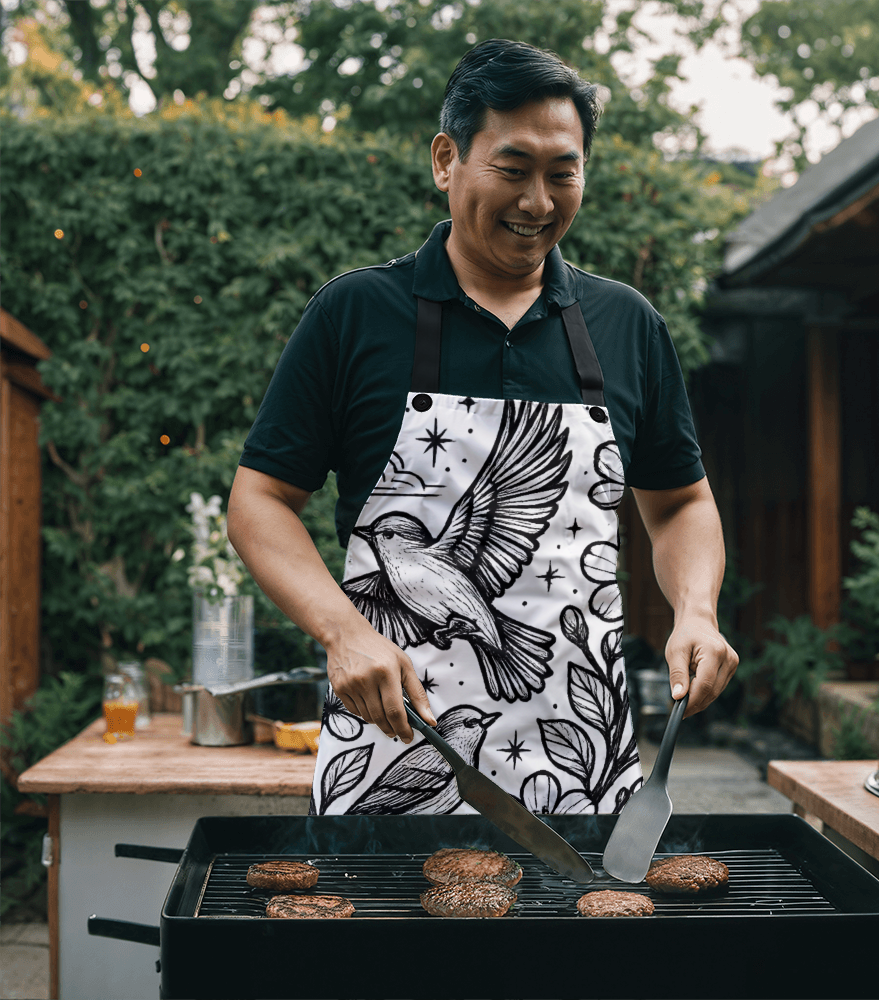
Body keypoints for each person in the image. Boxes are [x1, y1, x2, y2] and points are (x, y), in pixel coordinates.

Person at [228, 39, 738, 817]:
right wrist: (343, 633)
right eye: (514, 168)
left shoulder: (627, 325)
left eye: (562, 172)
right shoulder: (354, 314)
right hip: (395, 749)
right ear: (447, 160)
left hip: (581, 759)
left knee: (585, 902)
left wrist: (696, 610)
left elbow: (680, 504)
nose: (538, 202)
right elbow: (259, 501)